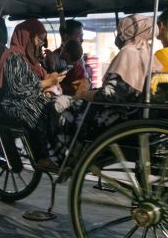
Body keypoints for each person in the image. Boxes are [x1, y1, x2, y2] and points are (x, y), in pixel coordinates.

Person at [45, 14, 155, 166]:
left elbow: (110, 94)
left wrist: (84, 94)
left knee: (57, 103)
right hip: (127, 111)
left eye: (119, 30)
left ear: (126, 31)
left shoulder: (129, 52)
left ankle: (60, 158)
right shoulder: (146, 52)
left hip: (112, 115)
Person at [0, 18, 65, 167]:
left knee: (58, 105)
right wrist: (47, 83)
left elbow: (35, 84)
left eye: (42, 41)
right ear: (27, 37)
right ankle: (44, 157)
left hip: (28, 98)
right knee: (44, 108)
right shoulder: (13, 57)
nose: (40, 44)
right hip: (14, 103)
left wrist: (50, 80)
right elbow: (19, 89)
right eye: (39, 40)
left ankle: (59, 152)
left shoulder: (29, 60)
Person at [45, 19, 90, 96]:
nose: (82, 40)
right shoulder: (51, 59)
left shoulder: (79, 58)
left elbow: (84, 79)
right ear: (66, 38)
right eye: (80, 37)